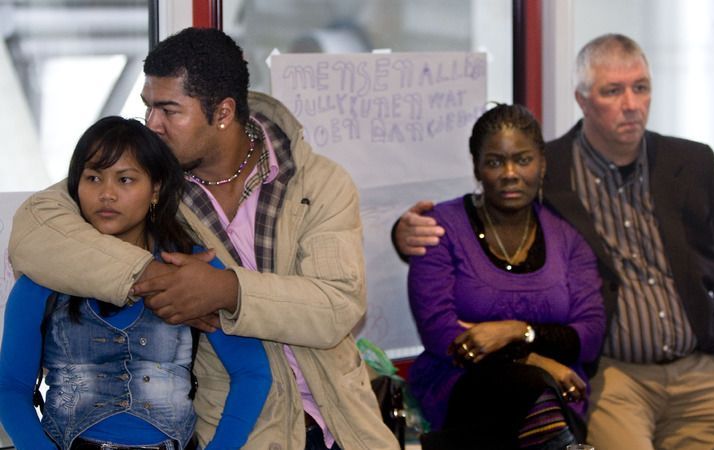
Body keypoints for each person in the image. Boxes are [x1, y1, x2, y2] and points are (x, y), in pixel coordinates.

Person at [9, 28, 398, 450]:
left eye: (169, 110)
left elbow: (338, 305)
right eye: (148, 107)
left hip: (340, 420)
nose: (152, 125)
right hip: (239, 430)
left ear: (223, 112)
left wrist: (225, 289)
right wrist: (155, 276)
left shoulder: (319, 182)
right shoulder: (143, 186)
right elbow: (36, 231)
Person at [394, 34, 714, 450]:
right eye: (612, 91)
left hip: (697, 366)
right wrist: (401, 234)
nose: (631, 104)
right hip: (614, 375)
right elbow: (466, 240)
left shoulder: (691, 162)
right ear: (582, 100)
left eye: (641, 87)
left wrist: (520, 337)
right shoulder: (552, 169)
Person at [0, 116, 270, 450]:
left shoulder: (191, 267)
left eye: (125, 179)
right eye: (93, 178)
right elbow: (11, 387)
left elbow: (252, 374)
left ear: (155, 189)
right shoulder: (45, 275)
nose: (107, 194)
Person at [407, 104, 605, 449]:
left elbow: (588, 337)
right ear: (477, 167)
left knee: (537, 397)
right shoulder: (441, 229)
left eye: (523, 160)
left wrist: (517, 332)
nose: (510, 173)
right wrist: (536, 359)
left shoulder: (568, 239)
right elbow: (441, 333)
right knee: (533, 391)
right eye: (495, 161)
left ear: (542, 164)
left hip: (558, 390)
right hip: (461, 384)